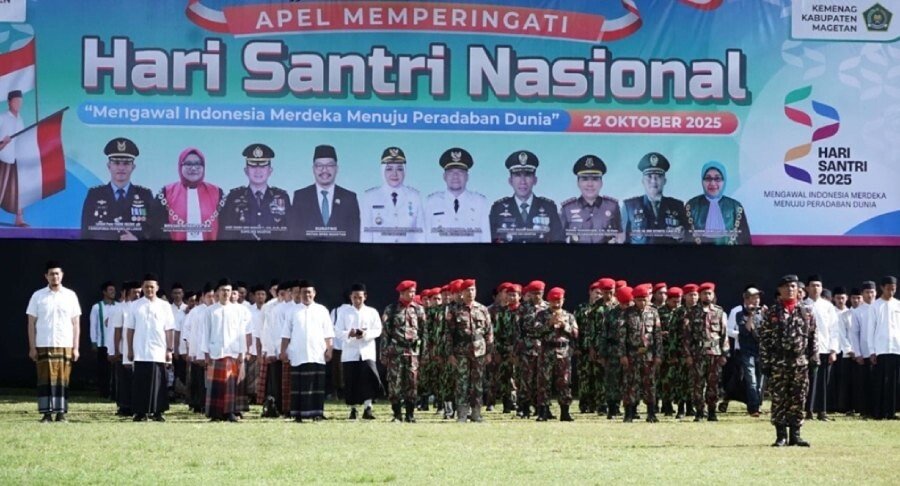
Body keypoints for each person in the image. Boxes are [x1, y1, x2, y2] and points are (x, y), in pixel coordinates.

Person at [760, 274, 818, 447]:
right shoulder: (772, 312)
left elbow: (813, 336)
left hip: (800, 362)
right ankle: (780, 435)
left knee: (798, 398)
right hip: (779, 362)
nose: (790, 289)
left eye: (793, 286)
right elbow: (764, 339)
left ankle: (796, 434)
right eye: (786, 286)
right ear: (780, 290)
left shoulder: (806, 312)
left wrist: (814, 358)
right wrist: (765, 362)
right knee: (779, 399)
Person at [26, 261, 81, 422]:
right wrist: (32, 347)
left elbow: (76, 323)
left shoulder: (70, 295)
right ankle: (46, 413)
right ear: (46, 276)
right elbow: (31, 323)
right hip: (43, 343)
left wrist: (76, 348)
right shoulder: (38, 296)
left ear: (62, 275)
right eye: (51, 274)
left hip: (65, 344)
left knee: (63, 379)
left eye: (57, 273)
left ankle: (61, 413)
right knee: (45, 379)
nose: (54, 277)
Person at [81, 138, 161, 240]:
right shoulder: (94, 195)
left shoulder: (145, 195)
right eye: (116, 163)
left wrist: (136, 240)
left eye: (126, 163)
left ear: (133, 167)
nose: (121, 168)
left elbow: (154, 234)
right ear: (109, 166)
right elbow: (85, 234)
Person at [280, 280, 334, 422]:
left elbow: (328, 333)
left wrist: (329, 349)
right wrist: (283, 351)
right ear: (299, 294)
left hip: (317, 353)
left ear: (314, 293)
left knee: (317, 385)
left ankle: (317, 413)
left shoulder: (322, 310)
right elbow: (286, 334)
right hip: (298, 354)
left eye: (309, 292)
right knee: (298, 386)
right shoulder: (292, 311)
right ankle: (298, 414)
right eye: (304, 292)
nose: (307, 295)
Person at [125, 274, 175, 422]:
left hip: (159, 350)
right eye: (146, 287)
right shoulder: (135, 305)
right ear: (142, 288)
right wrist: (129, 350)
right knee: (140, 383)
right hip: (140, 350)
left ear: (157, 288)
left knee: (159, 382)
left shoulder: (164, 306)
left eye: (152, 287)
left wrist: (169, 350)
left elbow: (169, 329)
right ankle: (140, 413)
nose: (149, 289)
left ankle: (158, 412)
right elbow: (129, 329)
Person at [288, 144, 360, 242]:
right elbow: (294, 235)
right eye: (319, 165)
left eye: (329, 165)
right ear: (313, 169)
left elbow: (354, 237)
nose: (324, 170)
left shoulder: (349, 198)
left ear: (337, 169)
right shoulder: (301, 197)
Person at [220, 143, 292, 240]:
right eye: (253, 166)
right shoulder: (233, 197)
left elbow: (289, 233)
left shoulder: (282, 197)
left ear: (270, 171)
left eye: (262, 166)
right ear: (246, 170)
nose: (258, 171)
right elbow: (226, 234)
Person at [489, 150, 563, 243]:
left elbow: (559, 243)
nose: (523, 181)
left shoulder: (549, 208)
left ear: (535, 180)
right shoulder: (497, 209)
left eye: (528, 175)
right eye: (517, 175)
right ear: (510, 181)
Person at [446, 279, 493, 422]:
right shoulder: (454, 310)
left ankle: (476, 413)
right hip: (461, 352)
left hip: (479, 352)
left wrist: (489, 352)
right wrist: (450, 354)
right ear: (461, 292)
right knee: (462, 383)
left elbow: (489, 332)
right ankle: (461, 414)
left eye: (473, 290)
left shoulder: (482, 309)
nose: (470, 293)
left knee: (477, 383)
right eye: (467, 290)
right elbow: (448, 333)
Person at [203, 279, 250, 422]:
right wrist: (206, 353)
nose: (226, 293)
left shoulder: (239, 310)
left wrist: (242, 352)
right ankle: (215, 414)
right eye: (223, 290)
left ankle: (230, 412)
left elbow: (242, 333)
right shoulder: (210, 311)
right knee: (216, 385)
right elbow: (206, 333)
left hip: (232, 351)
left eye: (228, 290)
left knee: (230, 384)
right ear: (217, 292)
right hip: (216, 352)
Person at [334, 283, 382, 420]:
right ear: (350, 297)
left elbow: (378, 330)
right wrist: (350, 333)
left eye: (360, 297)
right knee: (351, 380)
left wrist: (365, 334)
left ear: (365, 297)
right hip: (350, 351)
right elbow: (337, 331)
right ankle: (353, 409)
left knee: (368, 378)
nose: (357, 300)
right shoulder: (344, 312)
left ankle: (368, 407)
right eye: (354, 297)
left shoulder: (372, 312)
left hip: (366, 351)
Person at [424, 148, 491, 243]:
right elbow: (426, 237)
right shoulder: (432, 202)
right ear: (444, 176)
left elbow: (486, 238)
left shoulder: (480, 202)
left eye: (460, 172)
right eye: (451, 172)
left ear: (467, 176)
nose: (455, 176)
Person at [381, 280, 426, 422]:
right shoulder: (392, 309)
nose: (412, 294)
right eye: (409, 292)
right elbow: (385, 334)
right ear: (402, 293)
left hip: (412, 352)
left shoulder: (418, 309)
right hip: (395, 352)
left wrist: (424, 353)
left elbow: (424, 332)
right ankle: (397, 414)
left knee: (412, 383)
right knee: (395, 383)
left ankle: (410, 414)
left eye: (413, 291)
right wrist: (383, 353)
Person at [157, 148, 224, 241]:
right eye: (188, 163)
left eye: (197, 164)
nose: (193, 168)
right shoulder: (165, 193)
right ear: (180, 166)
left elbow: (224, 230)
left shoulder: (217, 193)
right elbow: (157, 230)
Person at [360, 147, 425, 243]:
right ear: (383, 171)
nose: (394, 174)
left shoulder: (415, 196)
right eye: (389, 169)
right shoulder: (370, 197)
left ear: (404, 171)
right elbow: (366, 235)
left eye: (399, 169)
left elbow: (420, 235)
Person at [685, 282, 729, 421]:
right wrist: (688, 355)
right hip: (697, 353)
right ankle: (699, 411)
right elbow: (687, 336)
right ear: (700, 295)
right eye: (704, 293)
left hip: (714, 353)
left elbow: (724, 334)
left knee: (713, 383)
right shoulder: (691, 312)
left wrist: (724, 353)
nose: (707, 295)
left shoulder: (719, 311)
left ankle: (712, 411)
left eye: (710, 293)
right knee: (697, 383)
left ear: (713, 295)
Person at [621, 152, 687, 244]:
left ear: (665, 181)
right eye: (649, 176)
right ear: (642, 181)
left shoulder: (678, 206)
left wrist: (683, 236)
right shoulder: (629, 206)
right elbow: (622, 241)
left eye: (659, 176)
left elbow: (689, 239)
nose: (653, 181)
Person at [618, 285, 662, 423]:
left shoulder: (653, 313)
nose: (641, 303)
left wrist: (658, 355)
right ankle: (629, 413)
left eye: (644, 299)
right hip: (632, 354)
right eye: (638, 300)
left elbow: (657, 336)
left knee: (650, 383)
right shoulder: (626, 313)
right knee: (630, 383)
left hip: (648, 354)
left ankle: (651, 412)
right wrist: (622, 355)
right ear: (634, 300)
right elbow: (621, 337)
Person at [536, 287, 577, 422]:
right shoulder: (541, 315)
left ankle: (565, 411)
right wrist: (549, 324)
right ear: (549, 301)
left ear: (563, 300)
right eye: (553, 301)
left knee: (564, 382)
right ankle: (543, 411)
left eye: (559, 300)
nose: (556, 304)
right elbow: (535, 332)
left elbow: (576, 333)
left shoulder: (569, 316)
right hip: (546, 351)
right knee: (544, 382)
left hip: (563, 353)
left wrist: (565, 325)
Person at [684, 161, 751, 245]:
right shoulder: (692, 206)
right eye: (708, 178)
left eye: (717, 178)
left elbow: (745, 241)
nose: (712, 183)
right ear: (702, 181)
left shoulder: (735, 207)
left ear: (724, 181)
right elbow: (685, 240)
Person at [559, 155, 621, 243]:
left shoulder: (612, 206)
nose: (590, 184)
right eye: (584, 179)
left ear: (601, 182)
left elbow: (621, 236)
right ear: (578, 183)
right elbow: (559, 239)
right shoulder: (567, 209)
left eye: (595, 179)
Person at [803, 275, 839, 421]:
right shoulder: (803, 305)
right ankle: (808, 410)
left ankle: (822, 411)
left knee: (823, 381)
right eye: (812, 285)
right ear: (807, 288)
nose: (815, 288)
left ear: (822, 288)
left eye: (818, 285)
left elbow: (834, 329)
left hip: (824, 348)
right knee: (808, 380)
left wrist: (833, 350)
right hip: (807, 350)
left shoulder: (828, 306)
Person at [868, 276, 899, 420]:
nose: (891, 292)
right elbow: (870, 329)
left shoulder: (898, 305)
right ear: (882, 288)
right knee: (880, 380)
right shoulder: (875, 306)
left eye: (893, 289)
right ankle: (878, 411)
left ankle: (891, 411)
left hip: (896, 347)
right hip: (880, 348)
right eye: (888, 289)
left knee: (893, 381)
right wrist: (872, 351)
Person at [111, 281, 142, 416]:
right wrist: (116, 350)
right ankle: (124, 406)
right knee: (125, 380)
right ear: (127, 293)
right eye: (134, 292)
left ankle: (137, 406)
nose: (137, 294)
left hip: (141, 349)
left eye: (139, 292)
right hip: (125, 349)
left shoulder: (141, 307)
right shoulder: (121, 308)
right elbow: (117, 331)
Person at [659, 286, 690, 419]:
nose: (676, 304)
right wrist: (663, 334)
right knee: (666, 380)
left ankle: (687, 406)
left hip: (682, 351)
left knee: (684, 380)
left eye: (678, 301)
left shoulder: (683, 312)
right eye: (673, 301)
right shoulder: (660, 312)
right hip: (666, 351)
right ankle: (667, 405)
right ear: (668, 300)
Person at [735, 287, 765, 417]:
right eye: (754, 297)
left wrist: (765, 315)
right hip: (747, 352)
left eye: (758, 297)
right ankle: (753, 408)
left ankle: (757, 403)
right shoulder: (740, 314)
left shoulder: (763, 313)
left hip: (761, 351)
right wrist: (751, 316)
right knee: (751, 380)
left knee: (760, 382)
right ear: (746, 299)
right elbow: (745, 330)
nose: (757, 300)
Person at [0, 90, 27, 226]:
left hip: (17, 160)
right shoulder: (2, 117)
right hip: (3, 160)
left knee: (19, 190)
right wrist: (4, 143)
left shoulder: (20, 119)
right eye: (15, 101)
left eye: (20, 102)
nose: (18, 104)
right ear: (9, 102)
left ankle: (19, 219)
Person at [89, 281, 118, 398]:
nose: (113, 292)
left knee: (116, 369)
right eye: (110, 290)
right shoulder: (97, 307)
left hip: (115, 344)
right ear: (104, 292)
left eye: (114, 290)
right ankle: (104, 392)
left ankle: (115, 392)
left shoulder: (119, 306)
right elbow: (93, 325)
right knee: (103, 369)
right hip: (103, 344)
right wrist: (94, 342)